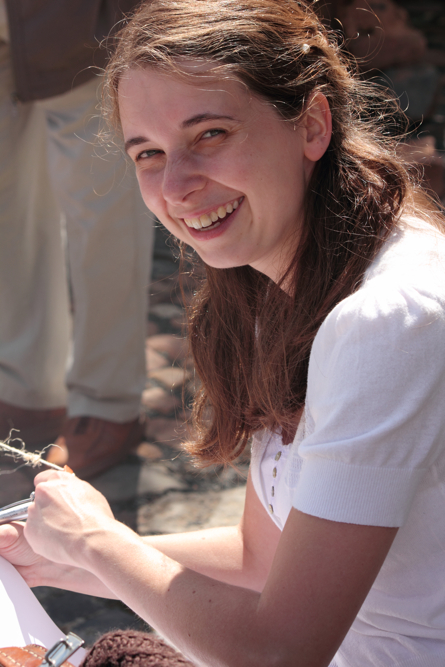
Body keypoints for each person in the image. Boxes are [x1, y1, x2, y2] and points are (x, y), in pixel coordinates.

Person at [0, 0, 444, 665]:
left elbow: (281, 650)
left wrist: (97, 540)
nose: (177, 185)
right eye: (148, 153)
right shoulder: (279, 279)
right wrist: (58, 558)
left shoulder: (386, 319)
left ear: (312, 125)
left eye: (210, 134)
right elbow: (259, 558)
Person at [0, 0, 154, 478]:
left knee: (101, 205)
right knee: (8, 205)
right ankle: (26, 391)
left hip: (71, 18)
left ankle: (107, 403)